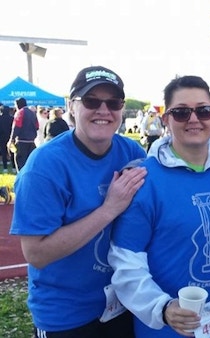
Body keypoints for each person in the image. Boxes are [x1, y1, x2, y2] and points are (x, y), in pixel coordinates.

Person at [9, 65, 147, 337]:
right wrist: (109, 209)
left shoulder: (131, 151)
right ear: (72, 106)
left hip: (123, 303)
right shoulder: (44, 167)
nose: (103, 110)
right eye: (91, 101)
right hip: (66, 314)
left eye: (113, 102)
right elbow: (36, 254)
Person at [108, 75, 210, 337]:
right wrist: (163, 308)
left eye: (204, 111)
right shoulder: (144, 180)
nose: (194, 119)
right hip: (166, 329)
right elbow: (125, 261)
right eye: (181, 112)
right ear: (166, 120)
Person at [7, 97, 38, 172]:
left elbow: (16, 127)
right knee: (30, 164)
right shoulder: (33, 113)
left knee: (21, 164)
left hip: (21, 142)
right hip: (31, 142)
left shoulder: (20, 112)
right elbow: (37, 126)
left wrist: (12, 139)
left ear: (18, 105)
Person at [0, 104, 14, 173]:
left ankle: (5, 167)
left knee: (3, 152)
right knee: (12, 152)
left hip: (1, 137)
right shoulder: (12, 118)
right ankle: (14, 166)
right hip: (10, 137)